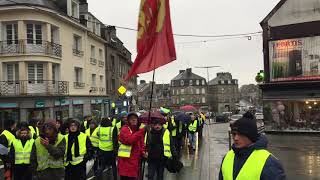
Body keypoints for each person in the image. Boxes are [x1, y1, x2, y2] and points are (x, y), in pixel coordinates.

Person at [219, 117, 286, 180]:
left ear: (251, 136)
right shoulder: (227, 157)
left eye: (241, 134)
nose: (236, 138)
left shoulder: (269, 163)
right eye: (234, 134)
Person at [118, 112, 146, 180]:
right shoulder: (125, 129)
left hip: (135, 162)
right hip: (126, 163)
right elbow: (129, 140)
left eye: (135, 118)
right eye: (131, 119)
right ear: (128, 121)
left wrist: (143, 152)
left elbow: (141, 143)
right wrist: (142, 131)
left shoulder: (138, 130)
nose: (134, 120)